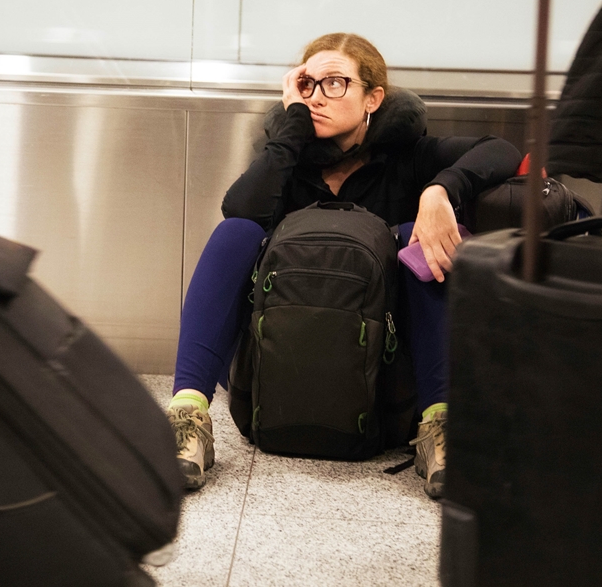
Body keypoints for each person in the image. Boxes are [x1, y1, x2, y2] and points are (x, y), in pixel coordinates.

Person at [166, 33, 521, 498]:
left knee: (416, 234)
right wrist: (289, 130)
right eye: (307, 84)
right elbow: (240, 209)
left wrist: (440, 191)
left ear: (374, 97)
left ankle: (441, 424)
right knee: (237, 233)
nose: (318, 97)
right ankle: (187, 417)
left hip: (384, 372)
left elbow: (504, 151)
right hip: (278, 362)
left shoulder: (407, 156)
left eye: (335, 83)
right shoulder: (286, 159)